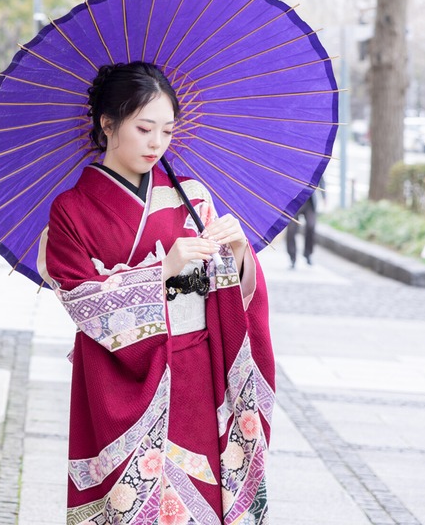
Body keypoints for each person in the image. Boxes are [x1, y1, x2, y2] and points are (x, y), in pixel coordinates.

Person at [38, 62, 275, 524]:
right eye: (144, 128)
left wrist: (238, 251)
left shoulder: (191, 195)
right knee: (129, 508)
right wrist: (163, 268)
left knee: (198, 499)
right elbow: (82, 301)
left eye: (167, 131)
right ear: (108, 124)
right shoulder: (71, 209)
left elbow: (230, 294)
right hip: (117, 374)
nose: (156, 143)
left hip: (194, 370)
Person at [285, 180, 322, 268]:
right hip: (294, 201)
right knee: (291, 230)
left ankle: (308, 254)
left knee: (311, 225)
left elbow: (320, 176)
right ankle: (292, 257)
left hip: (309, 201)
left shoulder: (312, 165)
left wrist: (324, 197)